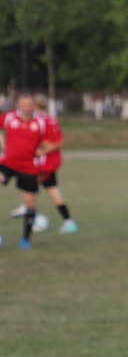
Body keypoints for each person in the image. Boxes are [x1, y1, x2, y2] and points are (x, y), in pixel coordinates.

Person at [1, 93, 56, 250]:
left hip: (29, 166)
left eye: (29, 105)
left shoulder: (41, 122)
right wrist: (3, 144)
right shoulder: (9, 117)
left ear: (34, 106)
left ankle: (25, 239)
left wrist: (42, 149)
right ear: (18, 105)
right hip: (8, 162)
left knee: (30, 203)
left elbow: (52, 141)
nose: (26, 107)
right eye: (23, 104)